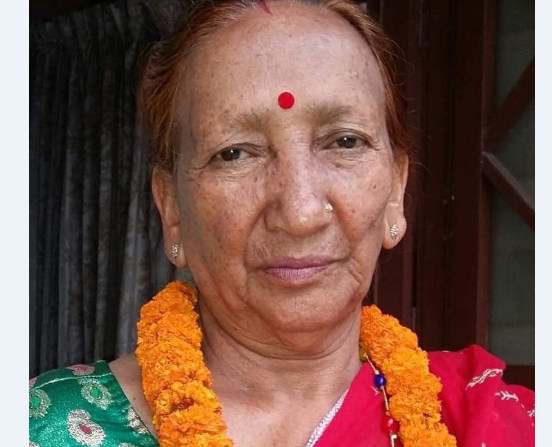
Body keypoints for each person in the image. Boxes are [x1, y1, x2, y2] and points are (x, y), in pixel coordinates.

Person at [29, 0, 535, 446]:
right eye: (235, 153)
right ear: (172, 209)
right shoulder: (43, 430)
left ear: (396, 193)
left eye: (345, 142)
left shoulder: (505, 425)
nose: (300, 213)